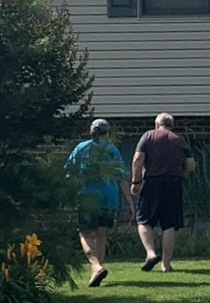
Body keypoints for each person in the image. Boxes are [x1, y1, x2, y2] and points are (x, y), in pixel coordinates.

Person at [65, 118, 127, 287]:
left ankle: (95, 265)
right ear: (108, 133)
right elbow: (121, 178)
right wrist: (130, 203)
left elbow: (69, 174)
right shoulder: (112, 150)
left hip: (87, 197)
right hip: (109, 198)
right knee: (101, 234)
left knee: (85, 233)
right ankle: (96, 273)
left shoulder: (81, 148)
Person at [131, 112, 195, 273]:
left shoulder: (148, 136)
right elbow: (191, 164)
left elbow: (138, 159)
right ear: (171, 125)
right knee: (170, 224)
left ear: (156, 124)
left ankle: (151, 253)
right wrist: (182, 173)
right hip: (174, 183)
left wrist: (135, 181)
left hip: (152, 182)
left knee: (144, 220)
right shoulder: (179, 140)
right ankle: (166, 265)